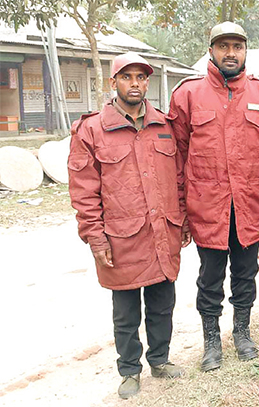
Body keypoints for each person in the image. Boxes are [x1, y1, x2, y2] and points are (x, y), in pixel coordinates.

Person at [68, 52, 189, 399]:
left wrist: (180, 218)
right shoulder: (91, 129)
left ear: (147, 82)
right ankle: (130, 370)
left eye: (140, 77)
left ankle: (161, 360)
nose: (134, 83)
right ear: (113, 83)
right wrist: (96, 238)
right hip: (122, 237)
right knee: (126, 311)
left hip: (162, 231)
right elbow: (83, 191)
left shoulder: (164, 125)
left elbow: (178, 177)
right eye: (127, 77)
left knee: (163, 302)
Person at [168, 22, 259, 371]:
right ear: (211, 51)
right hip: (207, 206)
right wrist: (185, 208)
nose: (230, 52)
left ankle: (243, 332)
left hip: (249, 205)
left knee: (246, 273)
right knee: (210, 277)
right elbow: (179, 153)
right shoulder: (188, 94)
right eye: (223, 46)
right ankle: (211, 340)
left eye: (237, 46)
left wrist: (256, 184)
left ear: (246, 51)